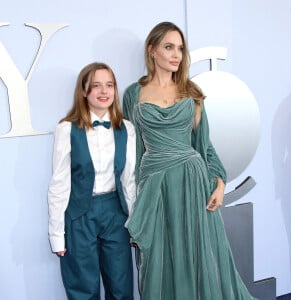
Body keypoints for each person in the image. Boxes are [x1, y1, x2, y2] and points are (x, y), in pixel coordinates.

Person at [123, 22, 256, 299]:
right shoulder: (133, 94)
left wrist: (219, 183)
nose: (176, 55)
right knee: (158, 258)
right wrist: (136, 205)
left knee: (198, 256)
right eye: (168, 47)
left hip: (192, 182)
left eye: (180, 49)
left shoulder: (191, 92)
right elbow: (132, 152)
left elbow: (204, 144)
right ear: (152, 50)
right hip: (155, 186)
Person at [48, 62, 136, 300]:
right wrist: (57, 234)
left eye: (109, 85)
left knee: (121, 286)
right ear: (84, 91)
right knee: (83, 288)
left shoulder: (126, 128)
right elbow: (59, 184)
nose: (104, 91)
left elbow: (129, 180)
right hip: (79, 214)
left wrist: (135, 224)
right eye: (96, 85)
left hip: (115, 214)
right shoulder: (66, 129)